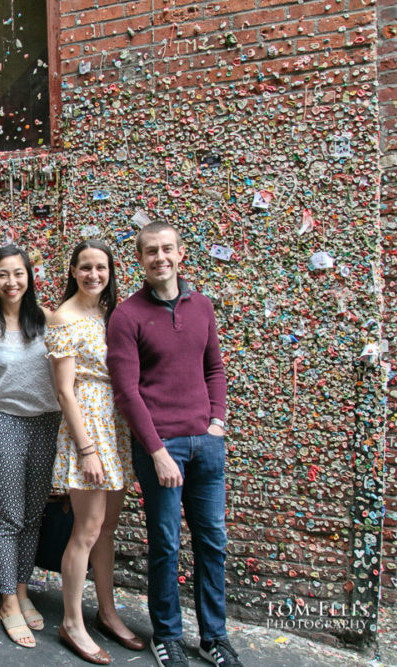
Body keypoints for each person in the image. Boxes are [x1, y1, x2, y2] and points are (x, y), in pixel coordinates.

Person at [107, 222, 241, 667]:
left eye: (167, 249)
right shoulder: (127, 316)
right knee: (165, 543)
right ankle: (166, 635)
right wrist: (158, 451)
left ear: (181, 254)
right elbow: (127, 392)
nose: (160, 257)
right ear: (140, 260)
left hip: (206, 445)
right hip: (161, 447)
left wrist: (217, 423)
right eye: (150, 251)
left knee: (213, 541)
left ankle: (213, 637)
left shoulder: (201, 306)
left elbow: (215, 369)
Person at [45, 240, 139, 665]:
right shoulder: (63, 317)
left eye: (101, 267)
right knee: (86, 529)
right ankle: (71, 622)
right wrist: (86, 449)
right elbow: (64, 390)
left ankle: (107, 612)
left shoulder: (110, 314)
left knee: (107, 528)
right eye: (86, 267)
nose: (94, 274)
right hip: (87, 428)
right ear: (73, 270)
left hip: (114, 425)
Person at [0, 245, 62, 647]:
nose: (12, 282)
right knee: (9, 518)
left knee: (34, 516)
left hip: (47, 425)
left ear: (29, 277)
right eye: (3, 274)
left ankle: (23, 591)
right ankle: (6, 601)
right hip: (5, 425)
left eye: (19, 274)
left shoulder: (48, 320)